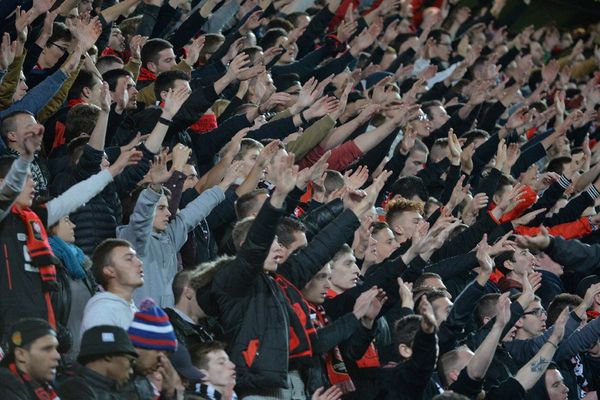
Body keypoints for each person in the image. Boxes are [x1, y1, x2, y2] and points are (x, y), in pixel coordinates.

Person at [56, 325, 138, 399]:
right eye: (130, 362)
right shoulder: (75, 390)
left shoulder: (113, 391)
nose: (131, 371)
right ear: (108, 355)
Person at [80, 239, 143, 335]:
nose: (139, 263)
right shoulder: (101, 312)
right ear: (110, 271)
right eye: (129, 259)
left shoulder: (129, 307)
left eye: (136, 257)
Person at [0, 318, 61, 399]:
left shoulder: (56, 388)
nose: (57, 356)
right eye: (47, 349)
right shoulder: (4, 390)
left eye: (56, 349)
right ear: (21, 354)